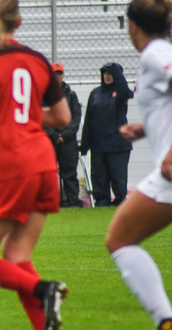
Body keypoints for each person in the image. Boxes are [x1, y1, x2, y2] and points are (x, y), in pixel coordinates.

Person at [0, 0, 72, 328]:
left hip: (9, 166)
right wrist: (26, 114)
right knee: (18, 258)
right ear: (18, 21)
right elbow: (63, 118)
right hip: (45, 164)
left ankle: (43, 288)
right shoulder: (38, 60)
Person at [105, 0, 172, 329]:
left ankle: (165, 319)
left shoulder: (156, 53)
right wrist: (145, 129)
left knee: (119, 239)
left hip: (169, 172)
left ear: (133, 25)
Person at [81, 61, 134, 206]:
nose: (107, 76)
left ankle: (119, 203)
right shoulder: (96, 93)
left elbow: (127, 92)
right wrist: (85, 145)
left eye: (111, 73)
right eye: (105, 73)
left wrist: (115, 69)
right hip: (98, 145)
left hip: (118, 145)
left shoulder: (121, 93)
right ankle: (102, 202)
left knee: (118, 178)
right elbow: (88, 119)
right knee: (99, 178)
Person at [43, 62, 83, 208]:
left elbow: (76, 117)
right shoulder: (43, 94)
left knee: (69, 172)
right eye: (54, 74)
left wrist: (65, 135)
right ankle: (51, 202)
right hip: (50, 140)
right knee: (48, 173)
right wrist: (53, 135)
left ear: (63, 75)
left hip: (68, 140)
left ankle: (73, 201)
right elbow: (40, 117)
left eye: (59, 73)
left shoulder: (71, 95)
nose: (57, 76)